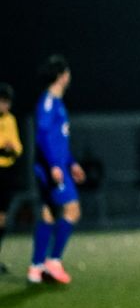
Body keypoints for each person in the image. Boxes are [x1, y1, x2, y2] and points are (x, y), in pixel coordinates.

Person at [28, 55, 86, 284]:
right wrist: (54, 165)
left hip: (58, 166)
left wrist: (71, 163)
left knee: (49, 214)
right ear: (61, 76)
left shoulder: (56, 103)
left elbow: (58, 139)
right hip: (52, 168)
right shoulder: (48, 102)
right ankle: (54, 260)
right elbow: (42, 136)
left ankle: (36, 267)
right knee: (72, 210)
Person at [0, 83, 23, 274]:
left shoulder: (10, 119)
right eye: (2, 102)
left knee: (2, 218)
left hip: (6, 172)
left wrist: (13, 148)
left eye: (7, 102)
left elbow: (17, 145)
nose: (5, 106)